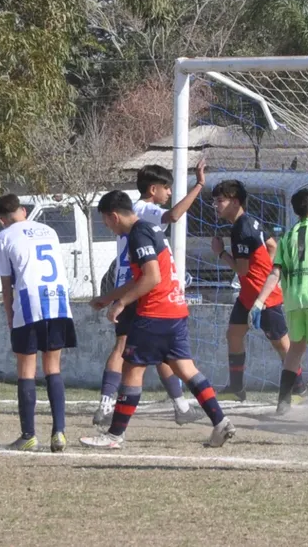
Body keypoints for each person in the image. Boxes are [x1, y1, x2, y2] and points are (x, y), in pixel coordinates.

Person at [81, 190, 235, 449]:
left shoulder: (138, 234)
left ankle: (114, 435)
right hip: (175, 309)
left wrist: (121, 303)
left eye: (105, 222)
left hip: (155, 312)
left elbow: (152, 277)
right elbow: (142, 277)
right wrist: (109, 297)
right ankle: (220, 423)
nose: (107, 227)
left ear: (114, 216)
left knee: (132, 368)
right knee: (186, 369)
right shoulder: (151, 230)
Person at [90, 161, 207, 428]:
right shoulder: (144, 211)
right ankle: (108, 407)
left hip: (130, 282)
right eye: (166, 188)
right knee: (128, 349)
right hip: (139, 287)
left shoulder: (133, 211)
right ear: (153, 189)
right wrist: (199, 186)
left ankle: (180, 406)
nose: (168, 194)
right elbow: (174, 215)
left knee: (158, 351)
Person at [249, 188, 308, 417]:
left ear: (295, 211)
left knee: (295, 350)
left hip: (293, 301)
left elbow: (275, 273)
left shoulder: (288, 236)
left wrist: (260, 302)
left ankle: (283, 401)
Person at [0, 194, 75, 452]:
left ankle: (28, 435)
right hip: (58, 300)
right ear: (24, 211)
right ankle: (59, 433)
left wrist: (9, 313)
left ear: (0, 220)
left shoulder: (3, 237)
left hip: (29, 303)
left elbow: (7, 284)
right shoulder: (49, 230)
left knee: (26, 369)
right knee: (53, 367)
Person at [210, 179, 301, 402]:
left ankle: (298, 388)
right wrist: (267, 268)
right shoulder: (250, 222)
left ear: (235, 202)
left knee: (281, 344)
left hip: (264, 296)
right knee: (233, 334)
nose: (215, 205)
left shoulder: (241, 228)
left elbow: (241, 268)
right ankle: (236, 387)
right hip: (247, 295)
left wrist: (220, 253)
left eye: (220, 200)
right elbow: (273, 246)